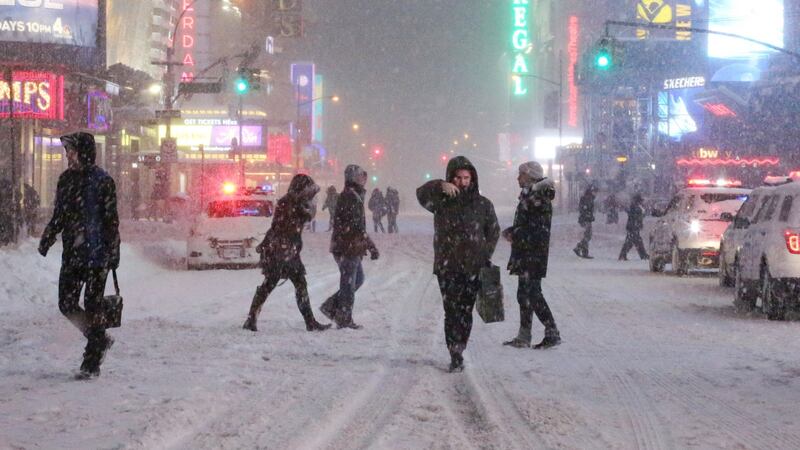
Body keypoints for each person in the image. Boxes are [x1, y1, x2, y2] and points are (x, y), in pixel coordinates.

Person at [38, 132, 120, 379]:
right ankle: (98, 338)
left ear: (83, 152)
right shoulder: (66, 180)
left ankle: (91, 359)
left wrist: (112, 251)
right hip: (73, 253)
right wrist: (49, 235)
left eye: (70, 151)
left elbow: (111, 221)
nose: (67, 156)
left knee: (94, 305)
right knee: (66, 303)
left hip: (96, 256)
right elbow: (60, 214)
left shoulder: (103, 181)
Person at [417, 156, 500, 372]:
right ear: (450, 178)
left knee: (466, 311)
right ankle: (455, 352)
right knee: (451, 311)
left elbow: (493, 230)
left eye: (466, 178)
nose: (463, 182)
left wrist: (484, 253)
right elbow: (421, 194)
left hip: (473, 268)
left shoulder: (483, 204)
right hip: (448, 268)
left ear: (472, 179)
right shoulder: (441, 202)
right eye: (458, 178)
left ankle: (460, 345)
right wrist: (438, 185)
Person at [243, 174, 331, 332]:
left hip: (285, 251)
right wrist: (285, 248)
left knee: (287, 284)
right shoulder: (289, 202)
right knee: (276, 284)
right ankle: (251, 320)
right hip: (281, 251)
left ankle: (252, 320)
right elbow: (283, 227)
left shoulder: (295, 202)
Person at [502, 162, 560, 349]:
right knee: (524, 294)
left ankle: (552, 331)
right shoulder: (532, 196)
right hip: (527, 252)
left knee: (533, 294)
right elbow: (530, 226)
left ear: (530, 176)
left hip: (532, 253)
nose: (518, 178)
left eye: (521, 174)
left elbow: (536, 229)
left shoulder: (538, 197)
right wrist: (515, 231)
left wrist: (515, 234)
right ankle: (524, 334)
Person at [320, 165, 379, 329]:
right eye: (361, 176)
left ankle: (332, 307)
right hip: (347, 247)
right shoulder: (350, 197)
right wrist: (371, 246)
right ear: (354, 178)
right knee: (349, 283)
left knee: (356, 280)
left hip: (349, 246)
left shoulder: (354, 195)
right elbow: (357, 227)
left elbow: (357, 227)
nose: (364, 179)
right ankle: (344, 317)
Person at [619, 193, 649, 261]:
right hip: (633, 227)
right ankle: (623, 255)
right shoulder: (634, 207)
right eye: (641, 200)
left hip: (634, 227)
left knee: (635, 241)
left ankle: (643, 255)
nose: (642, 201)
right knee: (631, 242)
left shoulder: (636, 206)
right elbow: (635, 215)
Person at [573, 183, 598, 259]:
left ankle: (584, 252)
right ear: (591, 191)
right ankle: (578, 248)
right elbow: (585, 209)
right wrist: (589, 216)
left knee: (587, 235)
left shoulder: (589, 198)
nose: (596, 194)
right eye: (595, 192)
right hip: (586, 219)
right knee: (588, 236)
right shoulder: (588, 198)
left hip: (586, 218)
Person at [0, 178, 14, 245]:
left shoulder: (7, 193)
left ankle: (5, 238)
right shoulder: (8, 192)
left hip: (5, 212)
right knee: (5, 225)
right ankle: (6, 238)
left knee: (5, 225)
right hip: (5, 212)